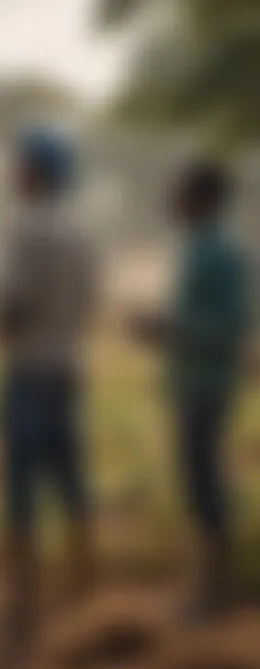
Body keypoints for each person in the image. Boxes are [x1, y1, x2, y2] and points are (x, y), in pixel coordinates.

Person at [0, 126, 98, 669]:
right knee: (71, 475)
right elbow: (89, 303)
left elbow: (15, 304)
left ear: (34, 172)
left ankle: (24, 599)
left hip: (28, 368)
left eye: (19, 164)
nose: (12, 172)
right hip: (68, 366)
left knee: (20, 481)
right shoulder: (81, 233)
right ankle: (83, 584)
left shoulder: (24, 228)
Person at [128, 161, 251, 619]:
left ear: (202, 197)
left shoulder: (221, 252)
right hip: (193, 381)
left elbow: (231, 325)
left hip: (208, 382)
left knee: (205, 482)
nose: (172, 200)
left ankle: (216, 592)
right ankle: (208, 586)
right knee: (198, 480)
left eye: (179, 191)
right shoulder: (199, 248)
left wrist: (168, 328)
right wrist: (164, 331)